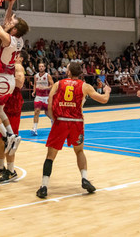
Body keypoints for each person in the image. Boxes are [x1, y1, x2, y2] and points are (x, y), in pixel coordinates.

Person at [36, 62, 111, 199]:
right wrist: (107, 91)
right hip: (76, 123)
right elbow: (104, 100)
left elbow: (50, 100)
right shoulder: (85, 86)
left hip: (61, 122)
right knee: (79, 151)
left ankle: (44, 187)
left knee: (50, 156)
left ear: (69, 72)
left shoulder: (58, 84)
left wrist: (54, 118)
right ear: (80, 73)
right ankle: (84, 178)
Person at [0, 0, 29, 155]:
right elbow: (7, 23)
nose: (11, 20)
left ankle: (7, 136)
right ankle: (12, 134)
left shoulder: (7, 40)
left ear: (15, 29)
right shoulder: (19, 41)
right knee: (0, 110)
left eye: (13, 22)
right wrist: (10, 4)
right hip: (9, 81)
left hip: (2, 80)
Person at [0, 50, 26, 183]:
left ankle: (11, 171)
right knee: (1, 138)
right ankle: (0, 167)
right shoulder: (10, 67)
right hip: (5, 101)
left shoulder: (18, 67)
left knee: (10, 138)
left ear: (20, 58)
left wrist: (4, 80)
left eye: (15, 55)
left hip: (13, 103)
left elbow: (20, 83)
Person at [31, 62, 54, 136]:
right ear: (38, 68)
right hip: (38, 96)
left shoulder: (48, 75)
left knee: (47, 113)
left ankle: (53, 120)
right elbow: (35, 84)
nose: (41, 67)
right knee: (36, 111)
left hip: (46, 97)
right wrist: (34, 91)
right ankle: (34, 129)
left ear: (44, 68)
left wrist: (45, 87)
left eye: (42, 66)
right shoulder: (35, 76)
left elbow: (52, 85)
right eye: (40, 66)